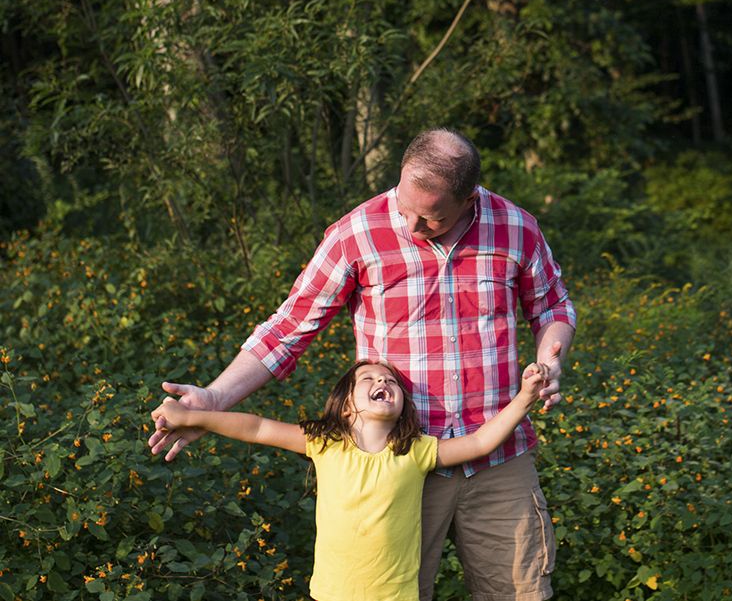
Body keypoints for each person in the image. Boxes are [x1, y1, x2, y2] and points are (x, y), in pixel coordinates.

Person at [148, 128, 576, 600]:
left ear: (470, 198)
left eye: (430, 219)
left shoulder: (515, 226)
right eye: (405, 209)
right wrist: (215, 397)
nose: (411, 228)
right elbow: (289, 328)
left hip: (499, 460)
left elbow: (552, 307)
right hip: (393, 465)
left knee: (519, 593)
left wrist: (549, 358)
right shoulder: (356, 233)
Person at [151, 359, 545, 601]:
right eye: (369, 379)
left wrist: (525, 397)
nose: (383, 382)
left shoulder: (417, 450)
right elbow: (255, 428)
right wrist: (192, 416)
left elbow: (480, 441)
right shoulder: (324, 444)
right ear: (345, 404)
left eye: (390, 381)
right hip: (334, 594)